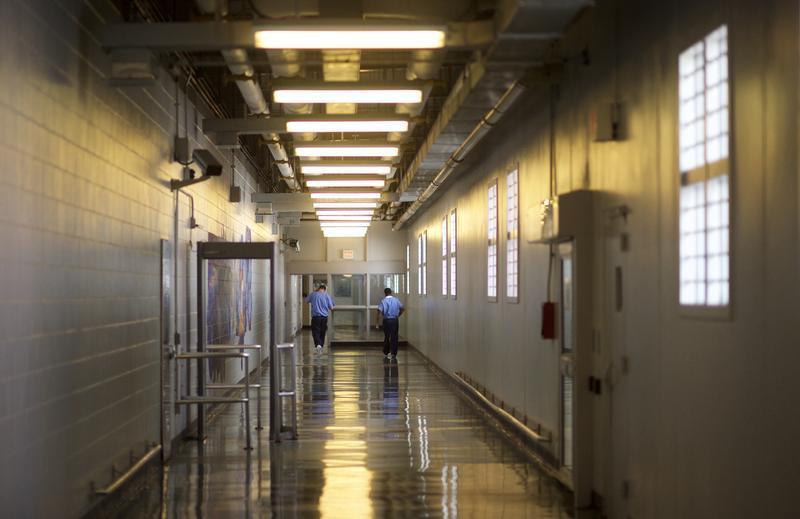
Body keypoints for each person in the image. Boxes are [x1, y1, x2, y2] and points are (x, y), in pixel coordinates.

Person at [305, 284, 335, 354]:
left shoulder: (313, 294)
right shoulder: (327, 295)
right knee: (322, 332)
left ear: (319, 288)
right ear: (325, 289)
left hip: (315, 317)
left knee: (315, 331)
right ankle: (320, 345)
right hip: (324, 317)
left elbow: (306, 300)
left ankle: (318, 345)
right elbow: (331, 308)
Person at [376, 288, 404, 360]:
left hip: (386, 320)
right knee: (394, 336)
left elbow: (379, 312)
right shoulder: (396, 300)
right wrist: (398, 315)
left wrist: (377, 323)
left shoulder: (383, 301)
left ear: (385, 293)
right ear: (391, 292)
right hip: (394, 320)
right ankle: (394, 353)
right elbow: (402, 308)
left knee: (387, 336)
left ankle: (386, 351)